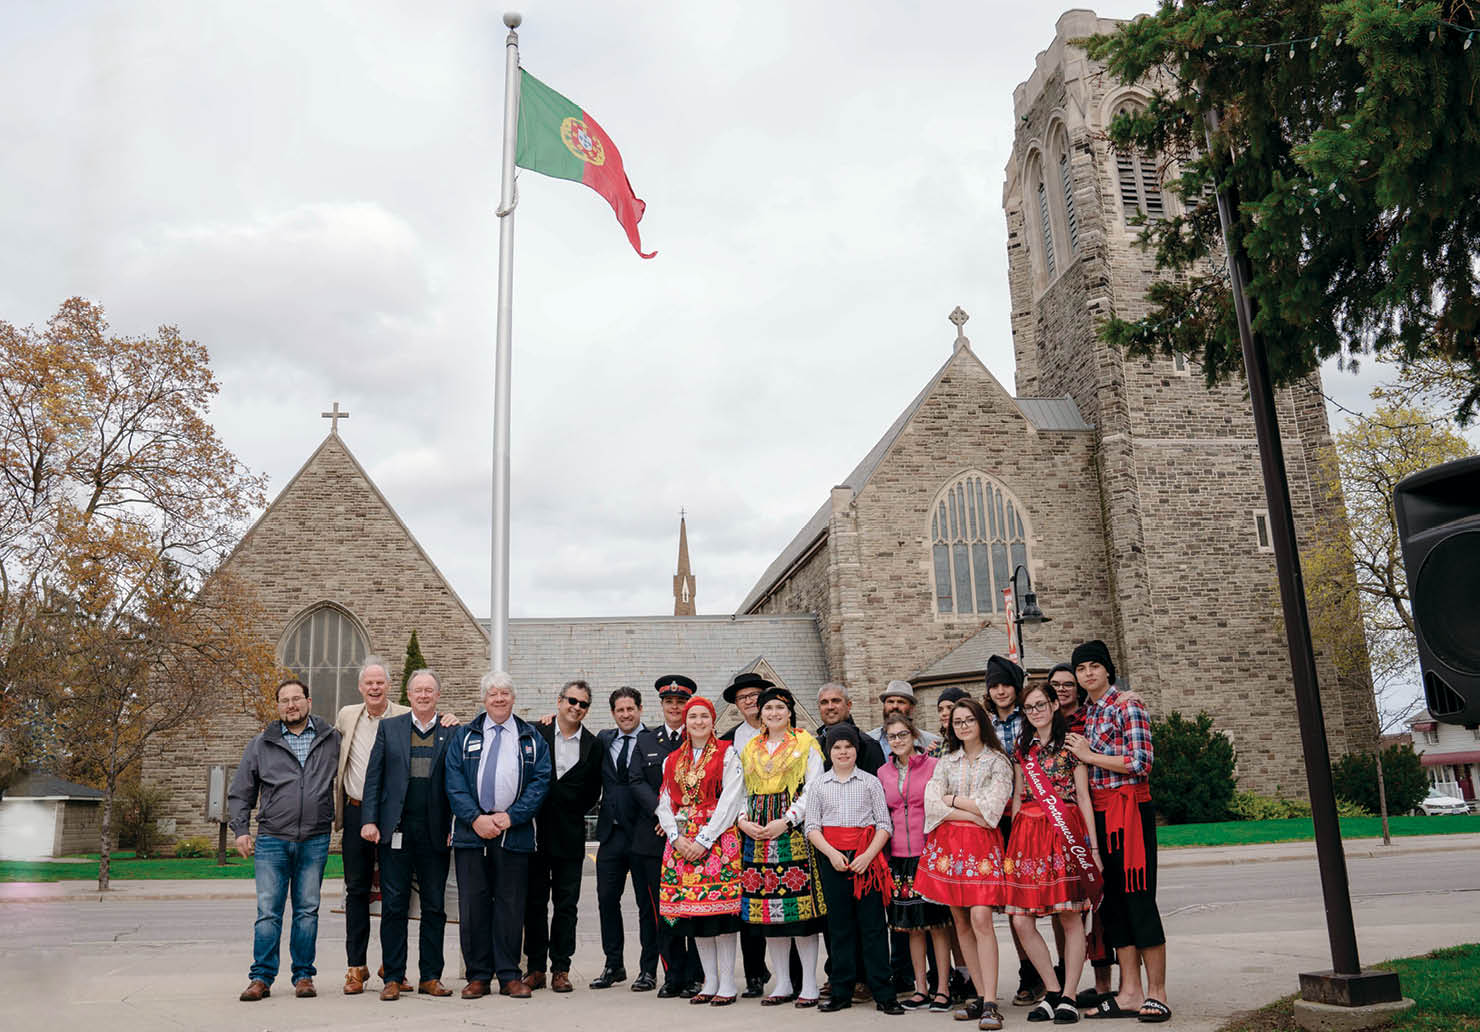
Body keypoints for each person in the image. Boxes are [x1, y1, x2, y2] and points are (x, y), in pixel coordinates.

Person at [1064, 640, 1168, 1024]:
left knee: (1139, 898)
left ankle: (1157, 993)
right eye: (1082, 669)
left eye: (1094, 666)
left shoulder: (1128, 703)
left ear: (1107, 669)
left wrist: (1090, 756)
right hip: (1102, 815)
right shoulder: (1087, 713)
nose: (1088, 673)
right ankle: (1129, 992)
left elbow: (1142, 761)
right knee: (1115, 904)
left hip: (1130, 809)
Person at [229, 678, 342, 1002]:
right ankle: (261, 978)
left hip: (315, 839)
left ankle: (304, 975)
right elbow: (241, 792)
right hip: (272, 841)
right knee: (268, 912)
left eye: (296, 698)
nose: (291, 705)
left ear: (309, 701)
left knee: (307, 911)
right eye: (284, 700)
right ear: (277, 706)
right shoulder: (261, 744)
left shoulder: (331, 738)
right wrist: (241, 830)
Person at [445, 671, 552, 999]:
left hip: (514, 834)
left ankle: (508, 974)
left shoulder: (531, 737)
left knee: (510, 906)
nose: (499, 698)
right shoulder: (463, 736)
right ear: (484, 699)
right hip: (470, 833)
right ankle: (478, 975)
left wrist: (511, 816)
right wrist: (475, 818)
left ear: (513, 697)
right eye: (493, 693)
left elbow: (540, 781)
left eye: (505, 693)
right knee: (474, 905)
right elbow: (454, 782)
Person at [1004, 682, 1102, 1024]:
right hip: (1028, 836)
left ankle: (1070, 996)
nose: (1036, 711)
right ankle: (1052, 990)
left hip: (1065, 831)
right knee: (1020, 919)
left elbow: (1084, 797)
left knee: (1070, 915)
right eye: (1029, 707)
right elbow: (1018, 796)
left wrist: (1092, 847)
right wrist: (1013, 847)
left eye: (1041, 704)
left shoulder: (1072, 744)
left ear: (1053, 704)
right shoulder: (1021, 749)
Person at [915, 697, 1014, 1031]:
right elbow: (931, 806)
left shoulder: (997, 761)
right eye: (957, 722)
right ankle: (980, 994)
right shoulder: (946, 761)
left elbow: (992, 813)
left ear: (980, 722)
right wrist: (967, 810)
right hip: (949, 848)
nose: (963, 726)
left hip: (982, 849)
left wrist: (952, 801)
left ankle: (991, 1003)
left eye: (968, 720)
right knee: (961, 921)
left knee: (981, 917)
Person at [359, 668, 457, 1001]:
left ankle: (431, 976)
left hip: (435, 833)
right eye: (418, 690)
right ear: (409, 694)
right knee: (395, 906)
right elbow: (374, 778)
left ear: (438, 695)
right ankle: (394, 976)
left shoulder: (451, 732)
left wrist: (454, 826)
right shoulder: (390, 728)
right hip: (395, 832)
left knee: (434, 907)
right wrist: (369, 820)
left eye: (430, 690)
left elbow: (460, 784)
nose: (424, 695)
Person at [736, 685, 825, 1007]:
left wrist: (786, 820)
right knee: (769, 913)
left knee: (799, 913)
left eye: (779, 708)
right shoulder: (750, 748)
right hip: (758, 834)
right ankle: (783, 982)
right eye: (768, 708)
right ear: (760, 714)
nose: (773, 713)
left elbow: (813, 788)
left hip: (792, 832)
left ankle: (810, 984)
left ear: (789, 712)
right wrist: (744, 820)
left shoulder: (805, 743)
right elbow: (741, 789)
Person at [805, 723, 903, 1015]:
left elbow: (884, 824)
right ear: (829, 751)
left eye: (848, 746)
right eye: (837, 747)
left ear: (856, 750)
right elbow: (812, 827)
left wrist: (868, 856)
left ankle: (883, 992)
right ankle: (841, 990)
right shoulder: (819, 785)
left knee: (873, 927)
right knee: (840, 927)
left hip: (866, 860)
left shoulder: (870, 782)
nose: (843, 751)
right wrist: (833, 854)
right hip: (833, 858)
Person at [656, 695, 745, 1005]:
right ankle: (709, 981)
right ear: (686, 721)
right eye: (692, 717)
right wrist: (676, 837)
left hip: (717, 840)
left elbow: (731, 800)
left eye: (703, 717)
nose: (698, 722)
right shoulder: (672, 760)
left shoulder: (727, 753)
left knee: (720, 915)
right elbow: (665, 802)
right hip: (682, 842)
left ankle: (728, 984)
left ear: (712, 721)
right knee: (695, 917)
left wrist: (705, 839)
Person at [521, 679, 603, 994]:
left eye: (583, 704)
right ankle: (536, 968)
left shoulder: (593, 745)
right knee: (535, 904)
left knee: (566, 905)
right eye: (572, 701)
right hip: (536, 835)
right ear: (559, 701)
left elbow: (593, 791)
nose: (576, 707)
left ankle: (561, 968)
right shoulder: (536, 733)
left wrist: (567, 807)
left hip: (569, 836)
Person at [334, 656, 408, 995]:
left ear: (388, 686)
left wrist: (450, 718)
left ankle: (392, 967)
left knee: (396, 893)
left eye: (380, 682)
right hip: (355, 811)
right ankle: (356, 967)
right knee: (357, 892)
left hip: (393, 816)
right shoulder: (347, 716)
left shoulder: (405, 715)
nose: (375, 687)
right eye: (369, 683)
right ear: (361, 687)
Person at [591, 686, 666, 990]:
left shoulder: (654, 740)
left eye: (630, 709)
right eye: (619, 710)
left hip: (645, 835)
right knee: (607, 900)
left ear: (639, 709)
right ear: (613, 714)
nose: (625, 714)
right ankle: (613, 964)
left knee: (647, 905)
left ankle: (648, 969)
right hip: (611, 835)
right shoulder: (603, 740)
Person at [878, 713, 952, 1012]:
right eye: (892, 737)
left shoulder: (934, 766)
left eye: (903, 735)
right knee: (912, 927)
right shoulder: (882, 772)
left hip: (929, 852)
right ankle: (920, 989)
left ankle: (943, 989)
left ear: (914, 736)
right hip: (899, 856)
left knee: (937, 924)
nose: (898, 741)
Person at [984, 654, 1043, 1008]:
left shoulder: (1030, 719)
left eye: (1006, 683)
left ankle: (1048, 972)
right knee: (1008, 901)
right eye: (995, 685)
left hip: (1028, 814)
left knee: (1030, 898)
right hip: (994, 818)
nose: (1001, 690)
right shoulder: (984, 722)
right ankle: (1028, 971)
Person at [721, 670, 773, 998]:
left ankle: (791, 975)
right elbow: (727, 790)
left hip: (781, 826)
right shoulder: (729, 741)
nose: (750, 701)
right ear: (737, 705)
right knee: (749, 905)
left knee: (784, 901)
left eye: (755, 695)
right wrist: (741, 821)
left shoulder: (789, 735)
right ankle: (755, 973)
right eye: (743, 697)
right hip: (743, 829)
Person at [816, 682, 886, 775]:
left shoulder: (866, 744)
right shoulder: (815, 745)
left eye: (836, 701)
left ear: (848, 705)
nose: (830, 707)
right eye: (824, 702)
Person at [868, 681, 941, 754]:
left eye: (901, 702)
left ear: (912, 708)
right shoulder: (869, 739)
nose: (895, 706)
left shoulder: (930, 742)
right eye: (890, 701)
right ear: (884, 705)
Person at [930, 687, 970, 758]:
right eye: (940, 710)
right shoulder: (938, 747)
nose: (944, 713)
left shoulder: (971, 741)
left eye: (950, 708)